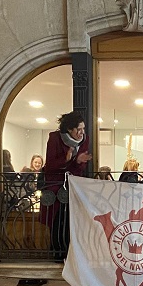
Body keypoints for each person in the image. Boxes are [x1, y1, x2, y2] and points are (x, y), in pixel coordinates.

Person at [41, 111, 92, 260]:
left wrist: (76, 161)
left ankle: (71, 255)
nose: (82, 132)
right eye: (79, 129)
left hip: (73, 186)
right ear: (69, 129)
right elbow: (50, 165)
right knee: (57, 222)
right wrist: (67, 159)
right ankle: (57, 255)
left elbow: (80, 168)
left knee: (73, 221)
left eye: (83, 128)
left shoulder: (85, 140)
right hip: (55, 188)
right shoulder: (55, 138)